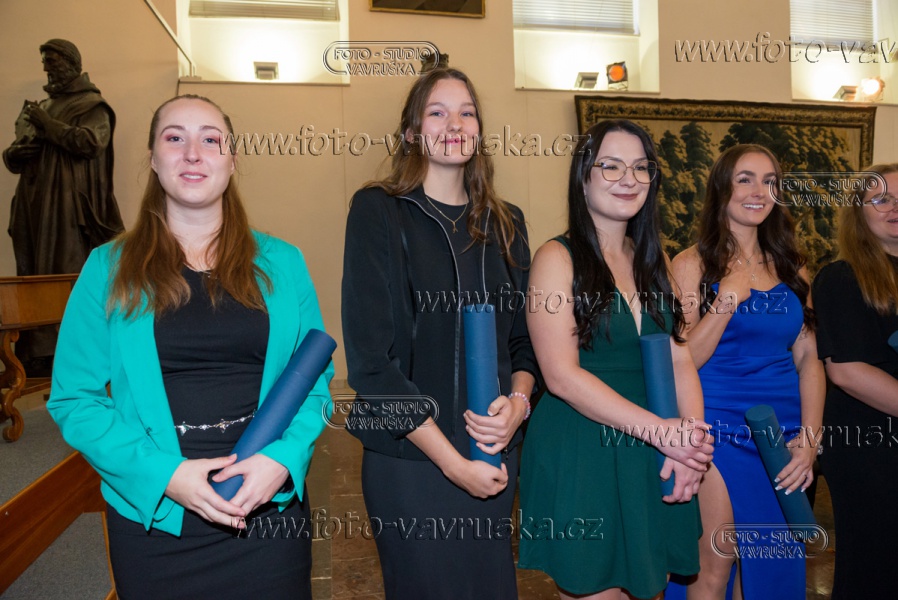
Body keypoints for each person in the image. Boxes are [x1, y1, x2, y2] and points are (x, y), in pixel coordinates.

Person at [47, 95, 333, 600]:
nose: (193, 153)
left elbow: (313, 384)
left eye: (211, 139)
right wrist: (168, 476)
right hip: (157, 519)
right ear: (154, 160)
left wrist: (283, 459)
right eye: (175, 138)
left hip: (265, 511)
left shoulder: (284, 263)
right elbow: (75, 399)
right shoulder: (106, 268)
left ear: (232, 159)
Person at [341, 67, 538, 600]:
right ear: (411, 132)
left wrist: (518, 406)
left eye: (466, 112)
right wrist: (453, 464)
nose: (455, 124)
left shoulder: (508, 223)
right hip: (412, 461)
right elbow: (370, 363)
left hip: (494, 450)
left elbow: (523, 343)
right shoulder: (378, 211)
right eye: (437, 112)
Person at [517, 119, 714, 600]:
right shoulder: (556, 258)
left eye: (641, 167)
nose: (628, 178)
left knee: (651, 587)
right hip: (584, 447)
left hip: (654, 446)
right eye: (611, 166)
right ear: (583, 177)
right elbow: (561, 376)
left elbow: (679, 357)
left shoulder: (653, 258)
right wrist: (663, 433)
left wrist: (690, 442)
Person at [667, 144, 825, 599]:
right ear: (722, 188)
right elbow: (684, 359)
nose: (759, 191)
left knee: (772, 565)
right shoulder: (691, 264)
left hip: (781, 437)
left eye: (770, 181)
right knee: (714, 566)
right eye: (745, 179)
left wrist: (810, 439)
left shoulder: (793, 266)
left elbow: (809, 359)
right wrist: (726, 300)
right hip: (716, 431)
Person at [3, 39, 123, 374]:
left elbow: (91, 142)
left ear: (71, 63)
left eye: (52, 61)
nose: (46, 67)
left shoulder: (92, 105)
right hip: (33, 203)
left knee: (63, 271)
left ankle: (66, 349)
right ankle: (36, 349)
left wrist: (48, 125)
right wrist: (14, 154)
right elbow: (14, 152)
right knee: (33, 273)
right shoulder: (41, 106)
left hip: (67, 206)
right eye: (44, 61)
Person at [812, 163, 898, 598]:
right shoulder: (841, 278)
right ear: (858, 212)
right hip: (870, 445)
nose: (895, 208)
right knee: (876, 568)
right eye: (881, 199)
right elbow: (846, 371)